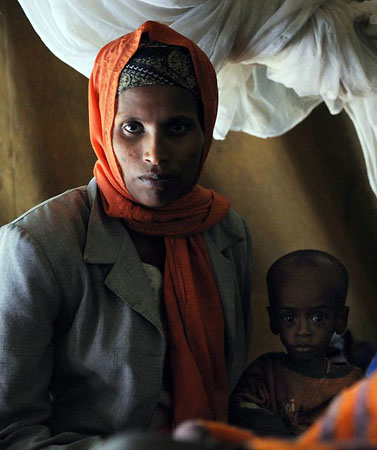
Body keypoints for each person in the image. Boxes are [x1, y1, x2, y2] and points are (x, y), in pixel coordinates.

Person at [0, 21, 252, 449]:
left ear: (204, 128)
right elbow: (9, 431)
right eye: (132, 128)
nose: (154, 154)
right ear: (104, 129)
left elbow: (231, 389)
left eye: (177, 127)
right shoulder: (38, 246)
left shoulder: (225, 233)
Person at [229, 250, 362, 436]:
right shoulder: (265, 374)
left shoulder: (353, 385)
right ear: (273, 320)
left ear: (340, 319)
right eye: (289, 318)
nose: (303, 331)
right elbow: (243, 416)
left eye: (318, 317)